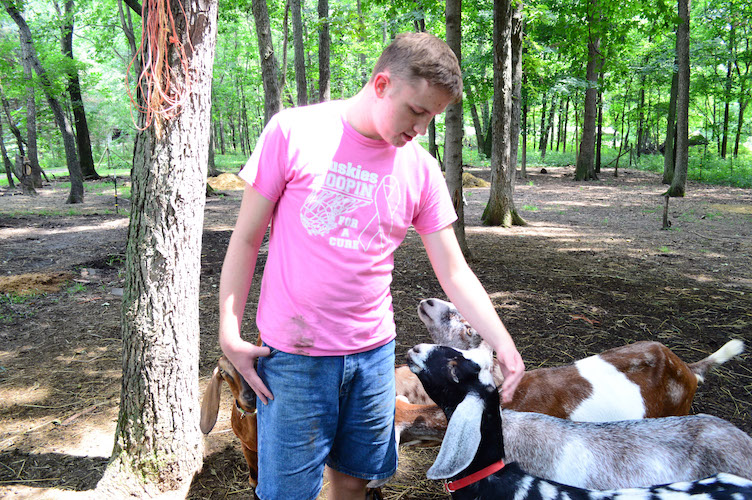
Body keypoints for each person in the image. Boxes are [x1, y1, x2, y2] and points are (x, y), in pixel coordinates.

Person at [218, 31, 525, 500]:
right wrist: (229, 332)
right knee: (284, 492)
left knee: (356, 480)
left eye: (434, 118)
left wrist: (503, 343)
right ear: (381, 84)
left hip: (373, 355)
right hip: (294, 358)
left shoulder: (419, 169)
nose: (421, 129)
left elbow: (454, 270)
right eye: (417, 111)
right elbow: (245, 239)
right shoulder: (293, 132)